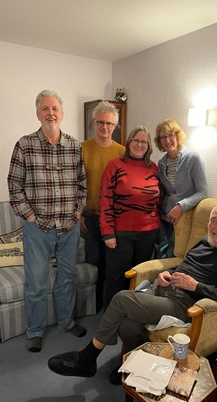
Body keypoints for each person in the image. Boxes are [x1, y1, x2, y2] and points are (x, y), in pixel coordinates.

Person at [48, 205, 217, 383]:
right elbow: (186, 266)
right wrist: (169, 273)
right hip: (162, 289)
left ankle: (87, 360)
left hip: (182, 304)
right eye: (214, 220)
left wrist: (196, 287)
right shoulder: (205, 241)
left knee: (121, 298)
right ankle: (132, 365)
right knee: (127, 324)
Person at [7, 90, 87, 353]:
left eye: (54, 108)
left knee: (66, 278)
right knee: (36, 282)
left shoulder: (74, 146)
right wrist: (29, 216)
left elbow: (81, 184)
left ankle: (66, 322)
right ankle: (36, 330)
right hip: (37, 228)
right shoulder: (25, 145)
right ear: (37, 113)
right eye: (45, 109)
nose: (50, 113)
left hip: (68, 226)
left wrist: (78, 211)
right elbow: (14, 186)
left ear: (62, 114)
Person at [100, 126, 161, 309]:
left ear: (148, 146)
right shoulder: (115, 165)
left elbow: (159, 199)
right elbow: (105, 199)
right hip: (120, 234)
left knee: (140, 278)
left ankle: (130, 316)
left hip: (148, 233)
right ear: (129, 142)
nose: (139, 144)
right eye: (136, 140)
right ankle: (110, 319)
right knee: (115, 277)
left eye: (144, 141)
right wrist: (108, 233)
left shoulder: (153, 168)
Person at [81, 101, 125, 310]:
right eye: (100, 122)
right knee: (94, 261)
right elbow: (74, 184)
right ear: (93, 123)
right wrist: (78, 214)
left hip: (115, 219)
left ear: (115, 125)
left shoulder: (122, 152)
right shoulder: (82, 148)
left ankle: (111, 304)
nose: (104, 127)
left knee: (113, 263)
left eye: (109, 123)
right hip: (89, 215)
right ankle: (96, 304)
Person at [154, 119, 207, 257]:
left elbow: (202, 192)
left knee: (176, 257)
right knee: (162, 255)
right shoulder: (161, 163)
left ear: (177, 135)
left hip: (184, 219)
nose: (167, 140)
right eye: (163, 137)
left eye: (170, 135)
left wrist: (180, 206)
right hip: (165, 220)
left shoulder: (192, 158)